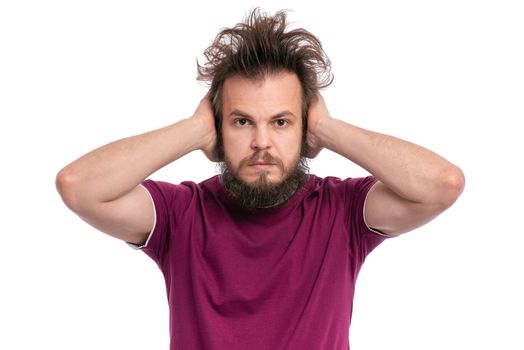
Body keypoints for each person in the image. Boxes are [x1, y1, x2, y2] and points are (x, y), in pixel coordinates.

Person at [56, 8, 465, 350]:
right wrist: (194, 129)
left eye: (281, 122)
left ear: (304, 129)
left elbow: (441, 184)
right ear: (219, 129)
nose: (262, 142)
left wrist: (326, 128)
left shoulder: (341, 212)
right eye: (242, 121)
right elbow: (79, 186)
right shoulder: (181, 216)